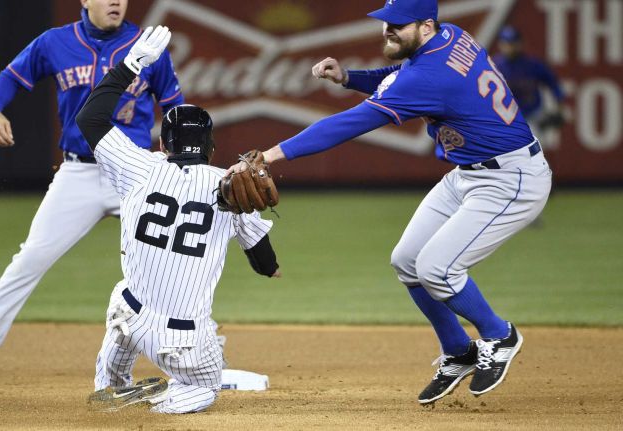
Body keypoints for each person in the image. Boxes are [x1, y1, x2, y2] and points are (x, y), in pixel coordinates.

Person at [228, 0, 551, 405]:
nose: (388, 31)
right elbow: (399, 78)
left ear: (427, 26)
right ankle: (457, 349)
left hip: (511, 179)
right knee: (407, 261)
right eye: (386, 23)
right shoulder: (451, 39)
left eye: (398, 25)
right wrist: (350, 77)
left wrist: (273, 154)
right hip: (469, 173)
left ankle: (500, 335)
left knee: (438, 269)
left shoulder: (429, 75)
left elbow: (347, 124)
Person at [0, 0, 184, 388]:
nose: (116, 1)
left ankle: (197, 353)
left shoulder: (147, 44)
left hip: (135, 170)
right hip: (79, 172)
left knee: (177, 260)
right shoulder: (55, 42)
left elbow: (175, 108)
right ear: (85, 0)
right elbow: (10, 77)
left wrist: (181, 157)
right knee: (29, 261)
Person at [76, 26, 281, 414]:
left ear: (163, 144)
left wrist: (131, 64)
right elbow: (264, 261)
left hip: (133, 319)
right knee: (206, 385)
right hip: (183, 343)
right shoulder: (228, 185)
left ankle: (112, 382)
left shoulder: (139, 165)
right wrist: (270, 268)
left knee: (125, 293)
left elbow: (89, 118)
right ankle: (164, 400)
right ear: (212, 147)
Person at [494, 25, 565, 150]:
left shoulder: (532, 64)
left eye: (513, 42)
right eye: (506, 43)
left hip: (532, 116)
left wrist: (559, 108)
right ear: (500, 44)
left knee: (535, 153)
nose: (510, 47)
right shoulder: (494, 66)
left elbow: (553, 83)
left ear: (520, 43)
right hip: (505, 119)